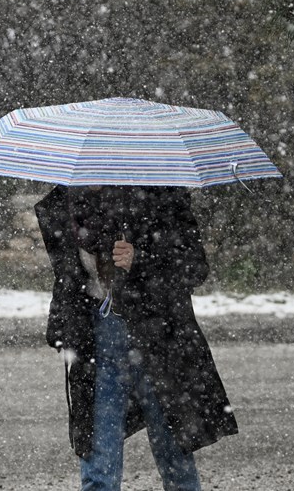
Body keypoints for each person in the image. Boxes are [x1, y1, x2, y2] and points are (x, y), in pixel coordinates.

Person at [34, 185, 237, 491]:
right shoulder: (64, 206)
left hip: (157, 337)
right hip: (97, 340)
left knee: (172, 445)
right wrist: (62, 322)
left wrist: (140, 258)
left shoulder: (158, 195)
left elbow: (194, 266)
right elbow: (67, 278)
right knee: (98, 452)